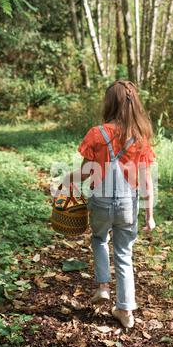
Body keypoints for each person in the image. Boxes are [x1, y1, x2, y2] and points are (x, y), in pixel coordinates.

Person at [56, 80, 155, 328]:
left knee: (99, 239)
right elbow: (146, 182)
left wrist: (66, 180)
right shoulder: (140, 137)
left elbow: (85, 174)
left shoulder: (96, 134)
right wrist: (149, 215)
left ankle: (102, 286)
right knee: (124, 254)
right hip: (127, 205)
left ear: (109, 103)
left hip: (100, 202)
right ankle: (125, 311)